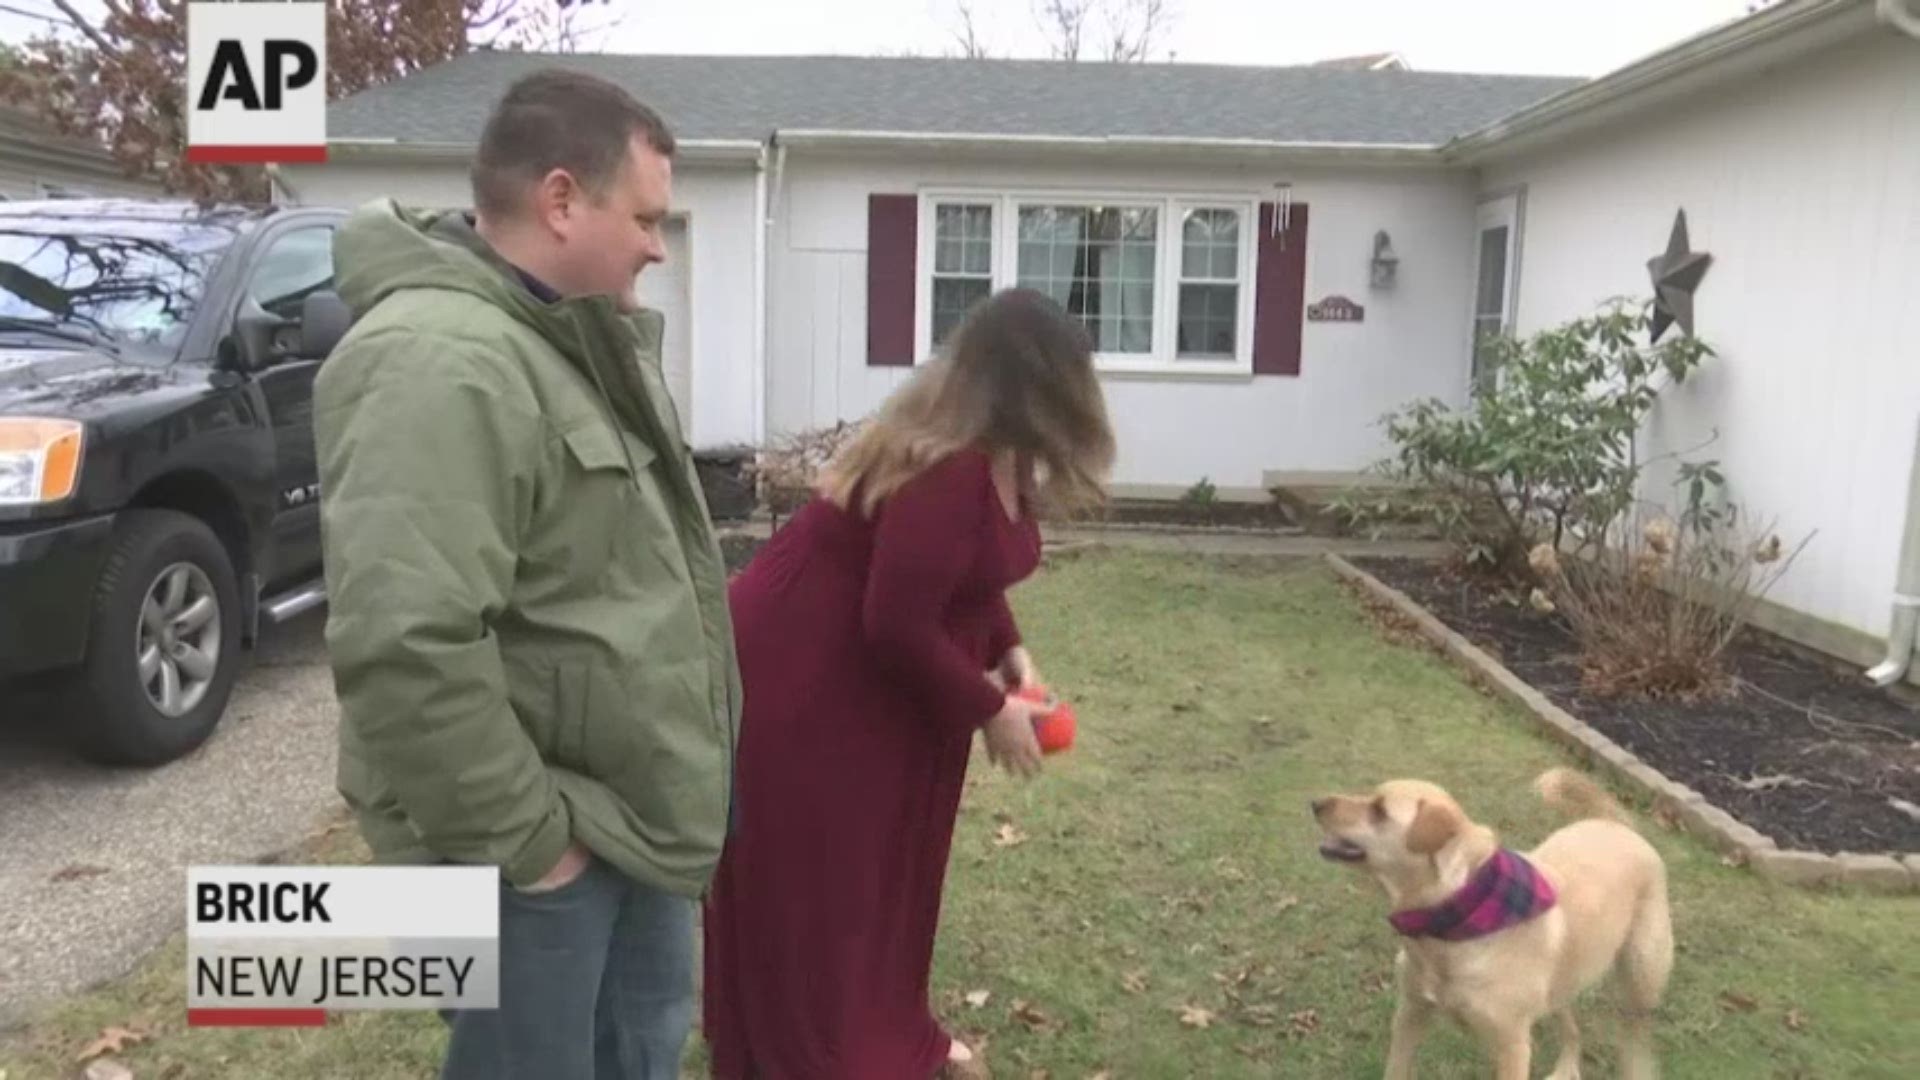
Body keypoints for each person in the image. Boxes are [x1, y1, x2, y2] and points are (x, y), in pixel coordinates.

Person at [312, 69, 740, 1080]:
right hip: (530, 848)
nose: (655, 244)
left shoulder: (559, 342)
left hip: (627, 822)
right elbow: (404, 642)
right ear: (559, 201)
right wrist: (534, 849)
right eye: (643, 217)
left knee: (634, 1050)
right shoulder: (439, 359)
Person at [701, 287, 1117, 1079]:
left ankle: (880, 1029)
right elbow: (894, 621)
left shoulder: (995, 455)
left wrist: (1012, 655)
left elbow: (965, 578)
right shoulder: (949, 470)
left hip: (868, 677)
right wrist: (990, 709)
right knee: (826, 877)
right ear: (1036, 385)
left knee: (882, 869)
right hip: (807, 675)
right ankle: (815, 1053)